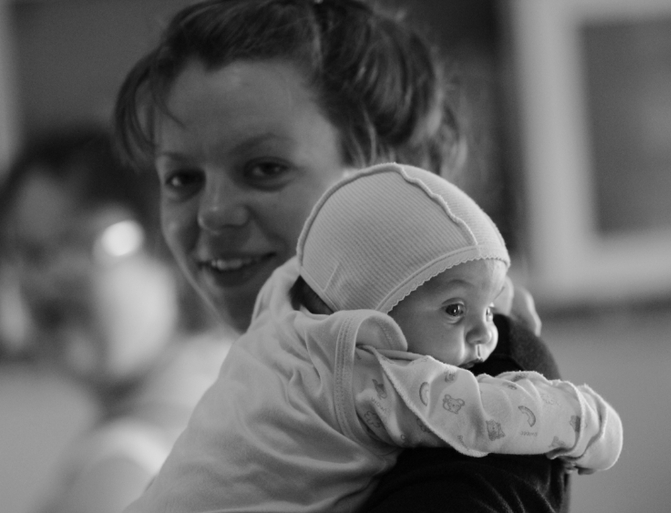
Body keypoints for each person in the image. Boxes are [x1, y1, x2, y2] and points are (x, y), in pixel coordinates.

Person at [113, 0, 574, 510]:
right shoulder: (261, 379)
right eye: (182, 178)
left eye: (265, 168)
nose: (213, 213)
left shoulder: (486, 374)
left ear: (392, 178)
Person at [125, 163, 622, 512]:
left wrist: (489, 296)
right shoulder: (364, 377)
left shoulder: (284, 298)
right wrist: (585, 424)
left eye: (488, 309)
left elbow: (356, 262)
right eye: (455, 310)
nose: (486, 334)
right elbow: (480, 417)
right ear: (371, 316)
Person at [0, 127, 232, 513]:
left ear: (171, 243)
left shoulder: (126, 468)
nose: (45, 281)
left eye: (81, 241)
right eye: (28, 253)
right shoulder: (240, 389)